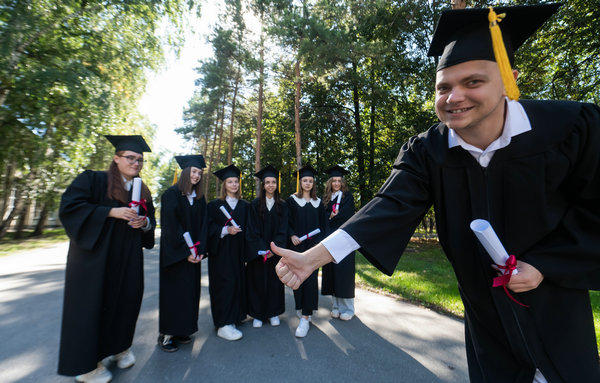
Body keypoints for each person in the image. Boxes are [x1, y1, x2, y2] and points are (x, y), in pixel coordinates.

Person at [273, 4, 600, 382]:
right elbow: (388, 206)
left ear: (509, 79)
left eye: (473, 82)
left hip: (555, 306)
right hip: (484, 315)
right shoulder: (427, 151)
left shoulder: (571, 129)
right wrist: (313, 258)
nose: (454, 96)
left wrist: (545, 265)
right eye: (443, 87)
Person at [58, 135, 155, 383]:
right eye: (130, 158)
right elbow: (70, 207)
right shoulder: (94, 180)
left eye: (139, 160)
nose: (135, 163)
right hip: (95, 261)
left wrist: (143, 222)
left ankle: (120, 348)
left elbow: (150, 222)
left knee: (126, 301)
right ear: (116, 158)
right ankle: (88, 366)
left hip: (127, 258)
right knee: (91, 307)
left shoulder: (141, 190)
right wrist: (111, 211)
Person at [157, 155, 208, 352]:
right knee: (174, 294)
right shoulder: (171, 194)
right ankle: (167, 334)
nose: (196, 176)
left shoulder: (199, 199)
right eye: (194, 172)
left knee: (189, 293)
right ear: (185, 173)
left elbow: (204, 225)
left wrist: (200, 250)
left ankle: (183, 329)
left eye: (199, 173)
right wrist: (185, 251)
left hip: (193, 256)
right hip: (176, 256)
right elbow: (171, 226)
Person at [207, 164, 251, 341]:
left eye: (236, 182)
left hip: (238, 253)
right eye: (230, 182)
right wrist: (226, 230)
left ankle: (235, 316)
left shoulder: (245, 206)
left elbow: (250, 230)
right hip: (221, 254)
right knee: (224, 285)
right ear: (224, 185)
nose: (234, 185)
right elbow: (208, 228)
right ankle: (223, 323)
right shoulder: (214, 206)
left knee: (237, 283)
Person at [286, 165, 328, 338]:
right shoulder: (291, 201)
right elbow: (286, 222)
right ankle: (300, 306)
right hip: (297, 246)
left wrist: (322, 245)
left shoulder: (318, 204)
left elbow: (324, 226)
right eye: (305, 180)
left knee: (310, 279)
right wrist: (292, 235)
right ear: (300, 182)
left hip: (313, 249)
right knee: (297, 278)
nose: (308, 183)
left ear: (313, 183)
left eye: (310, 180)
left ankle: (306, 315)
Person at [247, 165, 288, 328]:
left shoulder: (283, 205)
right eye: (268, 182)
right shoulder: (255, 204)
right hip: (259, 253)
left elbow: (283, 229)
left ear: (277, 185)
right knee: (257, 281)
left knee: (274, 282)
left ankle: (273, 313)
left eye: (273, 182)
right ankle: (257, 314)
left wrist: (273, 249)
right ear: (263, 185)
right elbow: (252, 229)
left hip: (275, 253)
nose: (271, 185)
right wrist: (262, 248)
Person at [321, 165, 356, 321]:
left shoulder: (348, 197)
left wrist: (336, 215)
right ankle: (336, 306)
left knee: (344, 272)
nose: (336, 183)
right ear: (330, 183)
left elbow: (348, 215)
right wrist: (330, 216)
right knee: (333, 271)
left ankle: (348, 308)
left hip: (344, 238)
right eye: (334, 181)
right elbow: (323, 216)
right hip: (330, 238)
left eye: (339, 181)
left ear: (343, 182)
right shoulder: (326, 198)